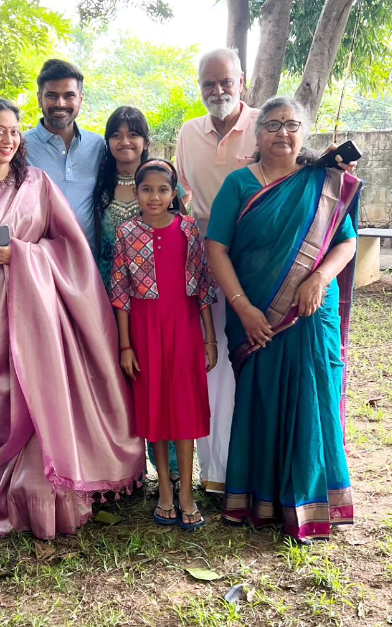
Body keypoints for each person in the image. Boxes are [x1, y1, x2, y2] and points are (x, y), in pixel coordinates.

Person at [0, 97, 145, 540]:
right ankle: (9, 493)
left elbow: (71, 245)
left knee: (44, 391)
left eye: (14, 131)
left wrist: (23, 253)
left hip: (39, 306)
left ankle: (51, 493)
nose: (7, 139)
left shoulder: (36, 182)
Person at [206, 96, 360, 542]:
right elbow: (216, 247)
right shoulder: (239, 184)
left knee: (313, 398)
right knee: (263, 398)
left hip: (312, 312)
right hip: (257, 316)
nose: (282, 134)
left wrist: (320, 280)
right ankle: (261, 498)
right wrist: (243, 307)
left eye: (291, 125)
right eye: (272, 125)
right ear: (257, 135)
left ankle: (314, 502)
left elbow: (346, 243)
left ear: (303, 133)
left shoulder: (324, 184)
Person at [111, 159, 218, 530]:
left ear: (174, 194)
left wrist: (209, 336)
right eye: (146, 189)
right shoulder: (126, 233)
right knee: (155, 411)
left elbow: (203, 287)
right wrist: (126, 345)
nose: (154, 197)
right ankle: (165, 493)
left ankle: (186, 492)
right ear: (136, 193)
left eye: (162, 190)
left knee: (184, 412)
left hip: (185, 328)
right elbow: (121, 294)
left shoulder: (188, 229)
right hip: (144, 331)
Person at [172, 48, 257, 495]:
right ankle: (216, 471)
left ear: (241, 81)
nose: (218, 91)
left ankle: (254, 463)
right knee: (210, 357)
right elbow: (182, 195)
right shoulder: (189, 132)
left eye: (226, 82)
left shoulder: (266, 124)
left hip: (258, 257)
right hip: (202, 256)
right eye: (209, 84)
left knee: (252, 355)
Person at [23, 59, 105, 250]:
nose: (60, 103)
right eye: (52, 95)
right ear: (39, 99)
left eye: (69, 95)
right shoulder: (18, 147)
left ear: (81, 99)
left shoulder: (98, 146)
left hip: (88, 263)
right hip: (39, 265)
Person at [92, 106, 151, 283]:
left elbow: (178, 225)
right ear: (108, 142)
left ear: (146, 142)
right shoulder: (98, 184)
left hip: (153, 283)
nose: (125, 141)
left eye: (133, 135)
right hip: (106, 281)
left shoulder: (162, 181)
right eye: (116, 136)